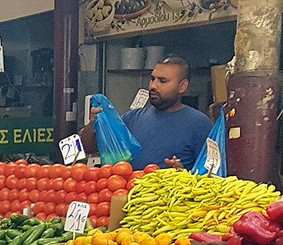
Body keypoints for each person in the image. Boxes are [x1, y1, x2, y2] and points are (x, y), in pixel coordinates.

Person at [81, 57, 212, 170]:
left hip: (171, 198)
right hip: (127, 196)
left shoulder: (199, 124)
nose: (153, 86)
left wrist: (184, 175)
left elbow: (212, 173)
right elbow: (88, 147)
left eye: (162, 81)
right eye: (152, 79)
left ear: (182, 86)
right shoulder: (131, 118)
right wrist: (94, 124)